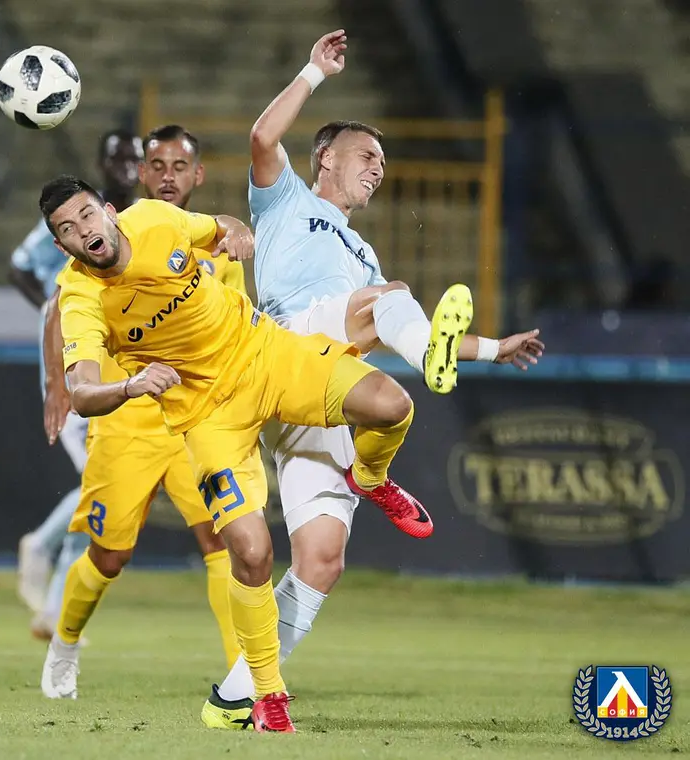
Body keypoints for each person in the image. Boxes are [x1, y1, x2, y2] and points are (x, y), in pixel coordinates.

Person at [201, 30, 545, 729]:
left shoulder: (363, 255)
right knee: (391, 300)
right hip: (283, 348)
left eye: (384, 162)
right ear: (326, 156)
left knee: (322, 561)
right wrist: (313, 71)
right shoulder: (282, 199)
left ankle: (233, 696)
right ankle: (385, 447)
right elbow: (263, 136)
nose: (379, 169)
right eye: (368, 155)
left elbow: (388, 318)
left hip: (321, 393)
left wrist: (493, 347)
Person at [39, 171, 427, 733]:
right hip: (205, 416)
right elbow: (81, 393)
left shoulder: (154, 217)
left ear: (109, 211)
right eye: (67, 229)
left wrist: (237, 230)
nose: (83, 230)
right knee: (248, 552)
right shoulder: (81, 296)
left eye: (86, 215)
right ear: (61, 245)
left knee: (392, 405)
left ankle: (369, 475)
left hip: (265, 354)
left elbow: (219, 227)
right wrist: (129, 385)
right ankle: (266, 696)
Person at [37, 125, 242, 670]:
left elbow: (238, 328)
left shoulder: (211, 244)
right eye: (157, 166)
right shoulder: (111, 242)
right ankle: (64, 642)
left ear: (199, 175)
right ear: (141, 173)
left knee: (223, 542)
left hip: (195, 420)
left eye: (180, 167)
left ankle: (245, 680)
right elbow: (60, 307)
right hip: (128, 422)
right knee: (110, 556)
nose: (168, 177)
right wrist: (59, 383)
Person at [10, 129, 144, 632]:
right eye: (117, 158)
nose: (127, 166)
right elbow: (22, 272)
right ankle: (51, 585)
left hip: (124, 369)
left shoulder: (142, 218)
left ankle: (49, 574)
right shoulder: (73, 222)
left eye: (134, 157)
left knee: (105, 485)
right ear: (102, 166)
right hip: (81, 366)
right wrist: (57, 373)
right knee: (100, 484)